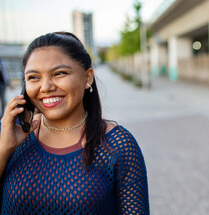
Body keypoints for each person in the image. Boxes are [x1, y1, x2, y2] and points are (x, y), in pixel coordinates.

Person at [0, 32, 149, 214]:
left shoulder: (118, 145)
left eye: (59, 73)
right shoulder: (11, 134)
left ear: (87, 78)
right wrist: (4, 148)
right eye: (34, 77)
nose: (45, 86)